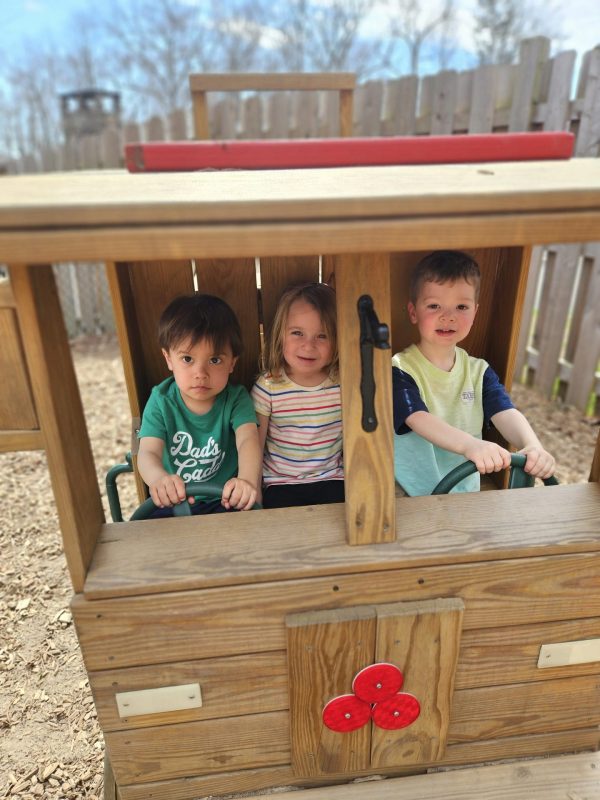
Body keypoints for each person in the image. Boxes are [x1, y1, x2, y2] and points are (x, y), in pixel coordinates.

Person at [393, 250, 556, 496]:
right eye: (434, 306)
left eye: (461, 307)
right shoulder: (400, 369)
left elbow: (505, 412)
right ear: (413, 312)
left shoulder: (479, 371)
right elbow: (417, 418)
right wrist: (470, 445)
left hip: (464, 489)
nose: (448, 317)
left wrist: (531, 444)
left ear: (475, 313)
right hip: (411, 493)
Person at [137, 293, 261, 516]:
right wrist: (159, 479)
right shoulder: (161, 401)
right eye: (187, 359)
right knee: (147, 530)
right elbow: (148, 452)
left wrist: (246, 481)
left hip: (225, 500)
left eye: (214, 360)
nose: (200, 373)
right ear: (168, 359)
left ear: (232, 363)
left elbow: (248, 440)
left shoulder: (236, 398)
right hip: (174, 502)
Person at [251, 282, 344, 509]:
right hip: (280, 483)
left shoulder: (342, 384)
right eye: (297, 333)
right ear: (281, 334)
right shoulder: (268, 386)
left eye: (322, 336)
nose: (308, 345)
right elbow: (255, 446)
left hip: (332, 479)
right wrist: (255, 494)